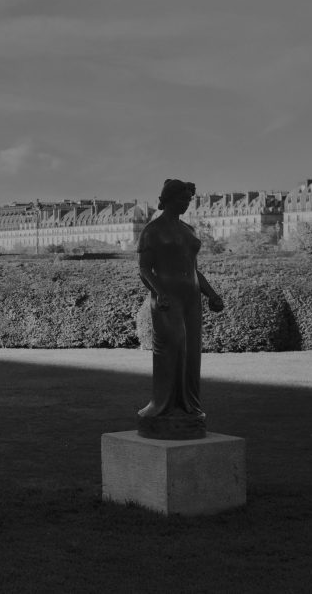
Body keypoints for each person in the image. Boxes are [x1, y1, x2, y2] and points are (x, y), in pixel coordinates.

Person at [136, 179, 224, 439]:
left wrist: (212, 293)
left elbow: (194, 270)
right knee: (172, 347)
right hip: (166, 297)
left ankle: (188, 407)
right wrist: (159, 292)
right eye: (182, 200)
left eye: (188, 200)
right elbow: (144, 268)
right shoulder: (153, 230)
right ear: (169, 199)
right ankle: (161, 405)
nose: (186, 204)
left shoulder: (188, 229)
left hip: (191, 297)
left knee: (191, 352)